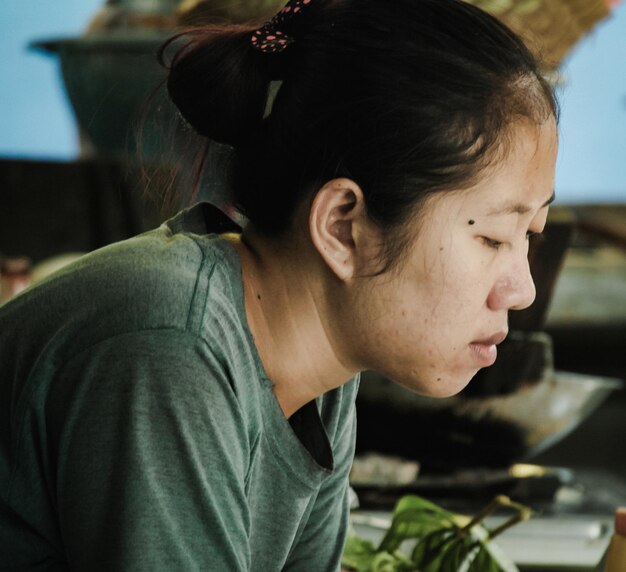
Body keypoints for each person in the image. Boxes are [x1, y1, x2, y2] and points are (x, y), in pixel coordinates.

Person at [0, 0, 558, 569]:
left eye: (530, 235)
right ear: (344, 226)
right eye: (492, 238)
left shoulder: (322, 379)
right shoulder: (172, 345)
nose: (522, 290)